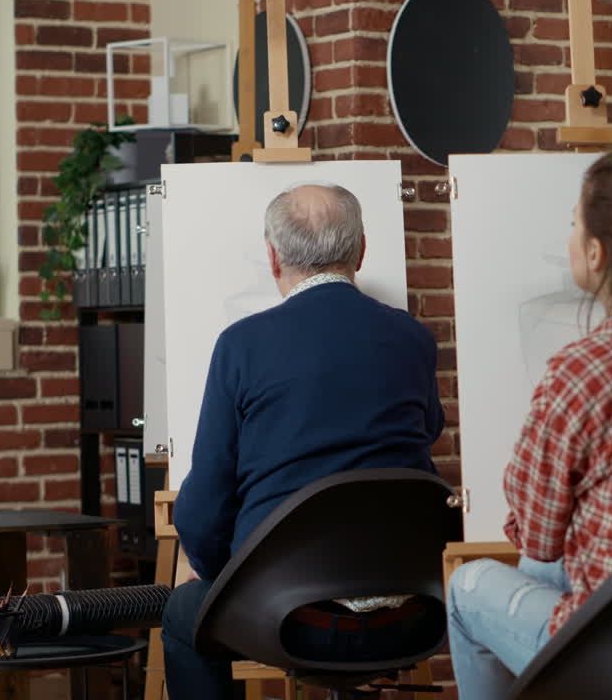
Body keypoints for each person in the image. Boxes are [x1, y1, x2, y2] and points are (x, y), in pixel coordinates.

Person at [162, 183, 446, 699]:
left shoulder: (242, 346)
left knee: (183, 613)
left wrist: (228, 580)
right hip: (412, 616)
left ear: (272, 257)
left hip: (286, 617)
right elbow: (429, 435)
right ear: (361, 250)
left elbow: (201, 512)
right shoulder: (414, 339)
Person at [446, 150, 612, 699]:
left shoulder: (582, 370)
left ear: (596, 252)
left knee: (468, 585)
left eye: (573, 223)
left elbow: (539, 539)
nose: (569, 237)